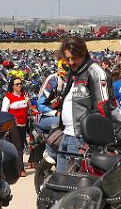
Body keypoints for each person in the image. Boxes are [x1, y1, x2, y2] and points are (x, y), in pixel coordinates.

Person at [56, 36, 111, 173]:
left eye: (74, 57)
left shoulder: (95, 72)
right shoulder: (73, 73)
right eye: (68, 58)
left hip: (81, 138)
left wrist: (90, 142)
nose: (71, 62)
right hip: (67, 134)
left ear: (83, 53)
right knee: (60, 182)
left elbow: (102, 109)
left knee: (75, 187)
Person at [37, 58, 67, 163]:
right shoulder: (53, 81)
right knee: (58, 122)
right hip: (45, 117)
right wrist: (55, 113)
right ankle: (49, 151)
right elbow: (40, 105)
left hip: (63, 114)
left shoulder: (71, 80)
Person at [1, 77, 30, 177]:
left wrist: (28, 102)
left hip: (23, 124)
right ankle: (20, 169)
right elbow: (4, 113)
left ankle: (14, 167)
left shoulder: (24, 95)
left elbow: (30, 108)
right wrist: (5, 127)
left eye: (20, 84)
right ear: (12, 86)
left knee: (20, 145)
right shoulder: (8, 97)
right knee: (19, 146)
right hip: (13, 125)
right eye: (17, 84)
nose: (19, 86)